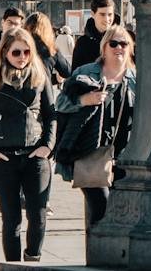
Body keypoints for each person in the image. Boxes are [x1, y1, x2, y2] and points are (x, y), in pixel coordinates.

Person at [0, 26, 55, 263]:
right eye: (17, 52)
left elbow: (51, 114)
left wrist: (47, 146)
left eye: (27, 52)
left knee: (37, 215)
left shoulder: (39, 75)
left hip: (35, 155)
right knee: (11, 219)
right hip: (3, 157)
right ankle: (12, 266)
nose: (22, 58)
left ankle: (32, 260)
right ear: (5, 52)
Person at [55, 24, 134, 228]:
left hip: (125, 155)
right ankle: (102, 253)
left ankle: (110, 252)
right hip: (91, 151)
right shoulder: (86, 72)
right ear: (104, 47)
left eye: (124, 43)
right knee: (101, 207)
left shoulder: (136, 79)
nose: (119, 48)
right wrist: (84, 100)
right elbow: (61, 104)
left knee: (120, 210)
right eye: (113, 43)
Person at [25, 13, 71, 84]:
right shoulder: (50, 49)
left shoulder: (21, 47)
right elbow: (67, 71)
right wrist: (54, 78)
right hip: (45, 91)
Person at [70, 0, 114, 70]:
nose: (107, 19)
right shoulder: (83, 43)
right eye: (102, 14)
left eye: (110, 14)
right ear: (93, 14)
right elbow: (75, 75)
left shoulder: (121, 41)